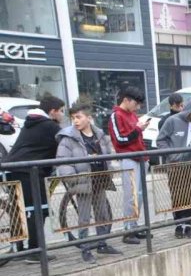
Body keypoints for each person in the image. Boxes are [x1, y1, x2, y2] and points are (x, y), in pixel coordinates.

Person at [55, 103, 122, 263]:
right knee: (84, 217)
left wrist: (108, 170)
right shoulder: (68, 139)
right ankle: (85, 248)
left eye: (79, 117)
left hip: (99, 179)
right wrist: (75, 179)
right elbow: (63, 163)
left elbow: (108, 155)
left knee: (102, 214)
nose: (75, 121)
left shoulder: (99, 135)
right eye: (73, 118)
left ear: (89, 118)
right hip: (84, 182)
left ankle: (102, 243)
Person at [3, 95, 65, 263]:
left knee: (19, 210)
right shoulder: (49, 126)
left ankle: (18, 249)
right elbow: (65, 143)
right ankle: (34, 251)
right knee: (38, 209)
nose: (62, 115)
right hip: (27, 171)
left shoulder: (31, 122)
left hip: (10, 168)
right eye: (61, 111)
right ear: (52, 112)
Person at [156, 96, 191, 238]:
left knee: (189, 194)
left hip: (190, 163)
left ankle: (188, 225)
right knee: (177, 194)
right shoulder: (172, 121)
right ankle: (178, 225)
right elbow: (160, 140)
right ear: (190, 109)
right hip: (174, 165)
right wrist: (172, 155)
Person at [109, 87, 151, 244]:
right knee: (130, 196)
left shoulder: (131, 114)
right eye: (136, 103)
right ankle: (128, 230)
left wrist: (139, 129)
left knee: (138, 195)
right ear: (126, 100)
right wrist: (138, 129)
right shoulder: (116, 115)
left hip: (140, 157)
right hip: (129, 158)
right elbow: (120, 140)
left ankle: (133, 225)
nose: (138, 107)